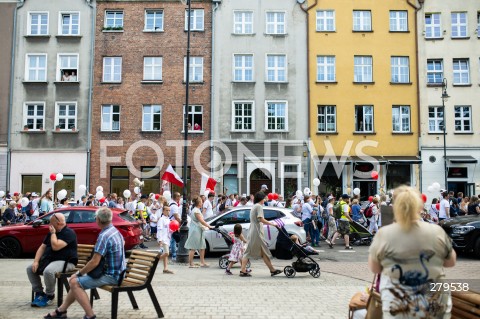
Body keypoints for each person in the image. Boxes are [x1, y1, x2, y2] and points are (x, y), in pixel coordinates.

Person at [368, 186, 456, 319]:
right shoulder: (437, 231)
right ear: (420, 207)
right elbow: (450, 262)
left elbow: (375, 268)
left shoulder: (384, 234)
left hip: (397, 306)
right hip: (435, 303)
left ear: (395, 208)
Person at [45, 207, 125, 319]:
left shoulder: (104, 236)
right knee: (74, 281)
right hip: (119, 273)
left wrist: (79, 273)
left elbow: (94, 261)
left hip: (111, 276)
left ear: (98, 220)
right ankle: (61, 311)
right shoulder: (115, 231)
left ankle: (90, 315)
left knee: (75, 282)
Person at [28, 213, 77, 307]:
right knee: (30, 269)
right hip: (51, 260)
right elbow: (42, 247)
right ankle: (39, 293)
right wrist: (36, 261)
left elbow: (55, 247)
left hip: (67, 262)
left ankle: (49, 295)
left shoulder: (69, 233)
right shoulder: (51, 232)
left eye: (51, 222)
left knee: (48, 271)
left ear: (58, 223)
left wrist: (53, 234)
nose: (49, 225)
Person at [239, 192, 282, 277]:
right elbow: (261, 219)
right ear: (261, 199)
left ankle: (272, 270)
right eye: (264, 198)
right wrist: (272, 224)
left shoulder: (255, 206)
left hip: (254, 231)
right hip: (256, 232)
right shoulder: (259, 207)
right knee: (248, 251)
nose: (265, 200)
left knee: (263, 252)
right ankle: (242, 270)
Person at [184, 196, 214, 268]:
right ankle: (191, 263)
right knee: (193, 247)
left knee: (202, 246)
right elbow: (201, 221)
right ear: (199, 203)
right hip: (195, 230)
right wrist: (209, 226)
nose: (202, 203)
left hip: (199, 230)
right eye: (201, 202)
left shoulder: (197, 210)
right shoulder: (196, 211)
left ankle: (202, 262)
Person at [157, 205, 174, 274]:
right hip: (163, 239)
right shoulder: (161, 219)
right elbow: (159, 229)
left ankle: (165, 268)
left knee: (165, 253)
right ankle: (155, 261)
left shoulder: (169, 220)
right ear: (163, 211)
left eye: (169, 210)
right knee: (167, 253)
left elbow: (170, 229)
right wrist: (160, 239)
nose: (168, 212)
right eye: (166, 210)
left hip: (167, 238)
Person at [168, 192, 181, 261]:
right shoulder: (174, 206)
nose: (180, 197)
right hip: (174, 224)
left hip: (172, 223)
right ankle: (174, 255)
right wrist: (180, 222)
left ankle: (172, 253)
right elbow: (176, 216)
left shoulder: (171, 204)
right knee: (173, 240)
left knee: (172, 239)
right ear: (176, 197)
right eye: (179, 196)